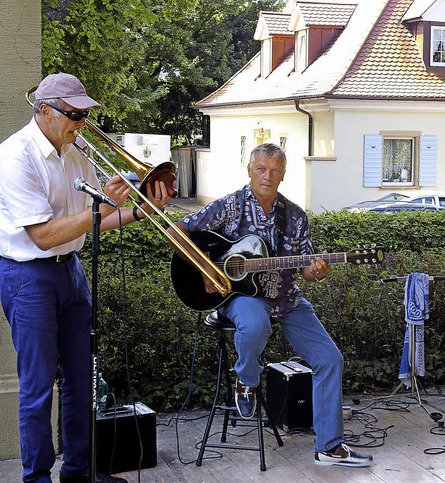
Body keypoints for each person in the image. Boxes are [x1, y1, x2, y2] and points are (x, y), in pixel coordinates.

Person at [0, 73, 173, 483]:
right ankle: (37, 478)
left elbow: (97, 219)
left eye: (85, 114)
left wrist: (138, 211)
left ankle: (79, 473)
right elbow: (42, 236)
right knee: (39, 385)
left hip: (70, 271)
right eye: (74, 114)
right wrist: (104, 205)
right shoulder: (14, 157)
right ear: (44, 111)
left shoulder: (77, 154)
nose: (82, 123)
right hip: (27, 276)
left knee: (82, 376)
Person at [168, 143, 373, 468]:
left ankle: (329, 447)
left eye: (275, 170)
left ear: (283, 175)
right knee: (255, 323)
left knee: (331, 359)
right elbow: (175, 230)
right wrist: (205, 267)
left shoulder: (295, 215)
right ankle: (247, 379)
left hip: (287, 299)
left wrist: (318, 272)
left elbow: (307, 268)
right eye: (261, 168)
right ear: (249, 170)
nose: (267, 176)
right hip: (239, 298)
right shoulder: (230, 206)